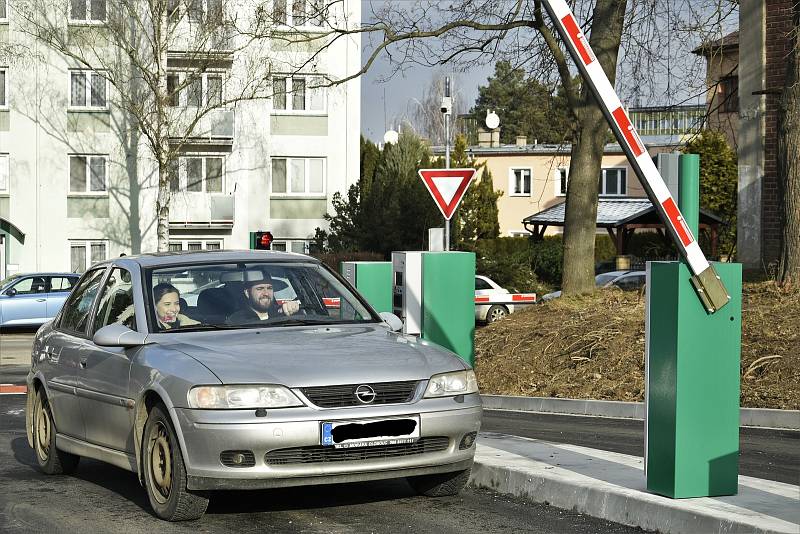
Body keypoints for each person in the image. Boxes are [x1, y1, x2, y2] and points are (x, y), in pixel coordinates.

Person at [226, 273, 300, 325]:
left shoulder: (283, 313)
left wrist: (294, 307)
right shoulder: (237, 321)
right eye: (260, 288)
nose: (266, 293)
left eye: (269, 288)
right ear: (247, 293)